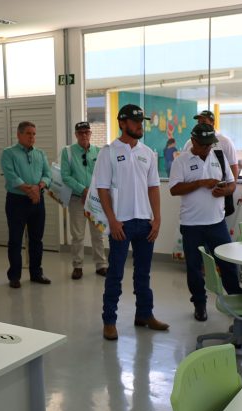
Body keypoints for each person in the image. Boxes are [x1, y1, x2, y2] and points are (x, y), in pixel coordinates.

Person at [95, 104, 167, 341]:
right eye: (135, 122)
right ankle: (109, 321)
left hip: (145, 223)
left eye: (141, 122)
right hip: (121, 225)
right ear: (122, 123)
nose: (139, 126)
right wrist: (112, 221)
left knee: (143, 274)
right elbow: (102, 189)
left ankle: (144, 314)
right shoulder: (108, 152)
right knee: (115, 274)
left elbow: (153, 187)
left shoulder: (148, 153)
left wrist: (157, 218)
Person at [170, 124, 242, 321]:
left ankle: (237, 300)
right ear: (193, 141)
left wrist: (225, 191)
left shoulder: (219, 157)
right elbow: (174, 190)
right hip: (191, 225)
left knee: (227, 264)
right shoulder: (181, 161)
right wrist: (200, 183)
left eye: (209, 145)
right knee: (194, 268)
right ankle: (199, 304)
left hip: (217, 222)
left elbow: (232, 184)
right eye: (203, 145)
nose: (206, 148)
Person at [0, 121, 52, 288]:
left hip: (38, 201)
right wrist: (29, 190)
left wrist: (39, 187)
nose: (32, 137)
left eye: (34, 134)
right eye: (28, 133)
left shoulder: (40, 154)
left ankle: (36, 273)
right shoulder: (8, 153)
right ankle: (14, 276)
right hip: (17, 201)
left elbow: (48, 174)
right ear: (19, 135)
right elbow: (10, 175)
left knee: (36, 239)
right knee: (15, 240)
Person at [60, 121, 107, 280]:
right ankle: (77, 266)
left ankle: (101, 264)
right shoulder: (68, 152)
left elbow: (103, 174)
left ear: (91, 134)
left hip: (95, 200)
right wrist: (83, 190)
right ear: (76, 135)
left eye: (87, 132)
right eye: (80, 133)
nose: (84, 135)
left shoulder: (99, 152)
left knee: (98, 234)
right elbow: (65, 176)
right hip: (77, 199)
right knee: (78, 235)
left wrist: (92, 192)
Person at [183, 110, 239, 181]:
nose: (200, 125)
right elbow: (183, 164)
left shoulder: (225, 142)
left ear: (213, 123)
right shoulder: (190, 143)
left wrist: (232, 186)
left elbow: (233, 166)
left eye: (204, 122)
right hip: (193, 185)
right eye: (199, 122)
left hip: (218, 185)